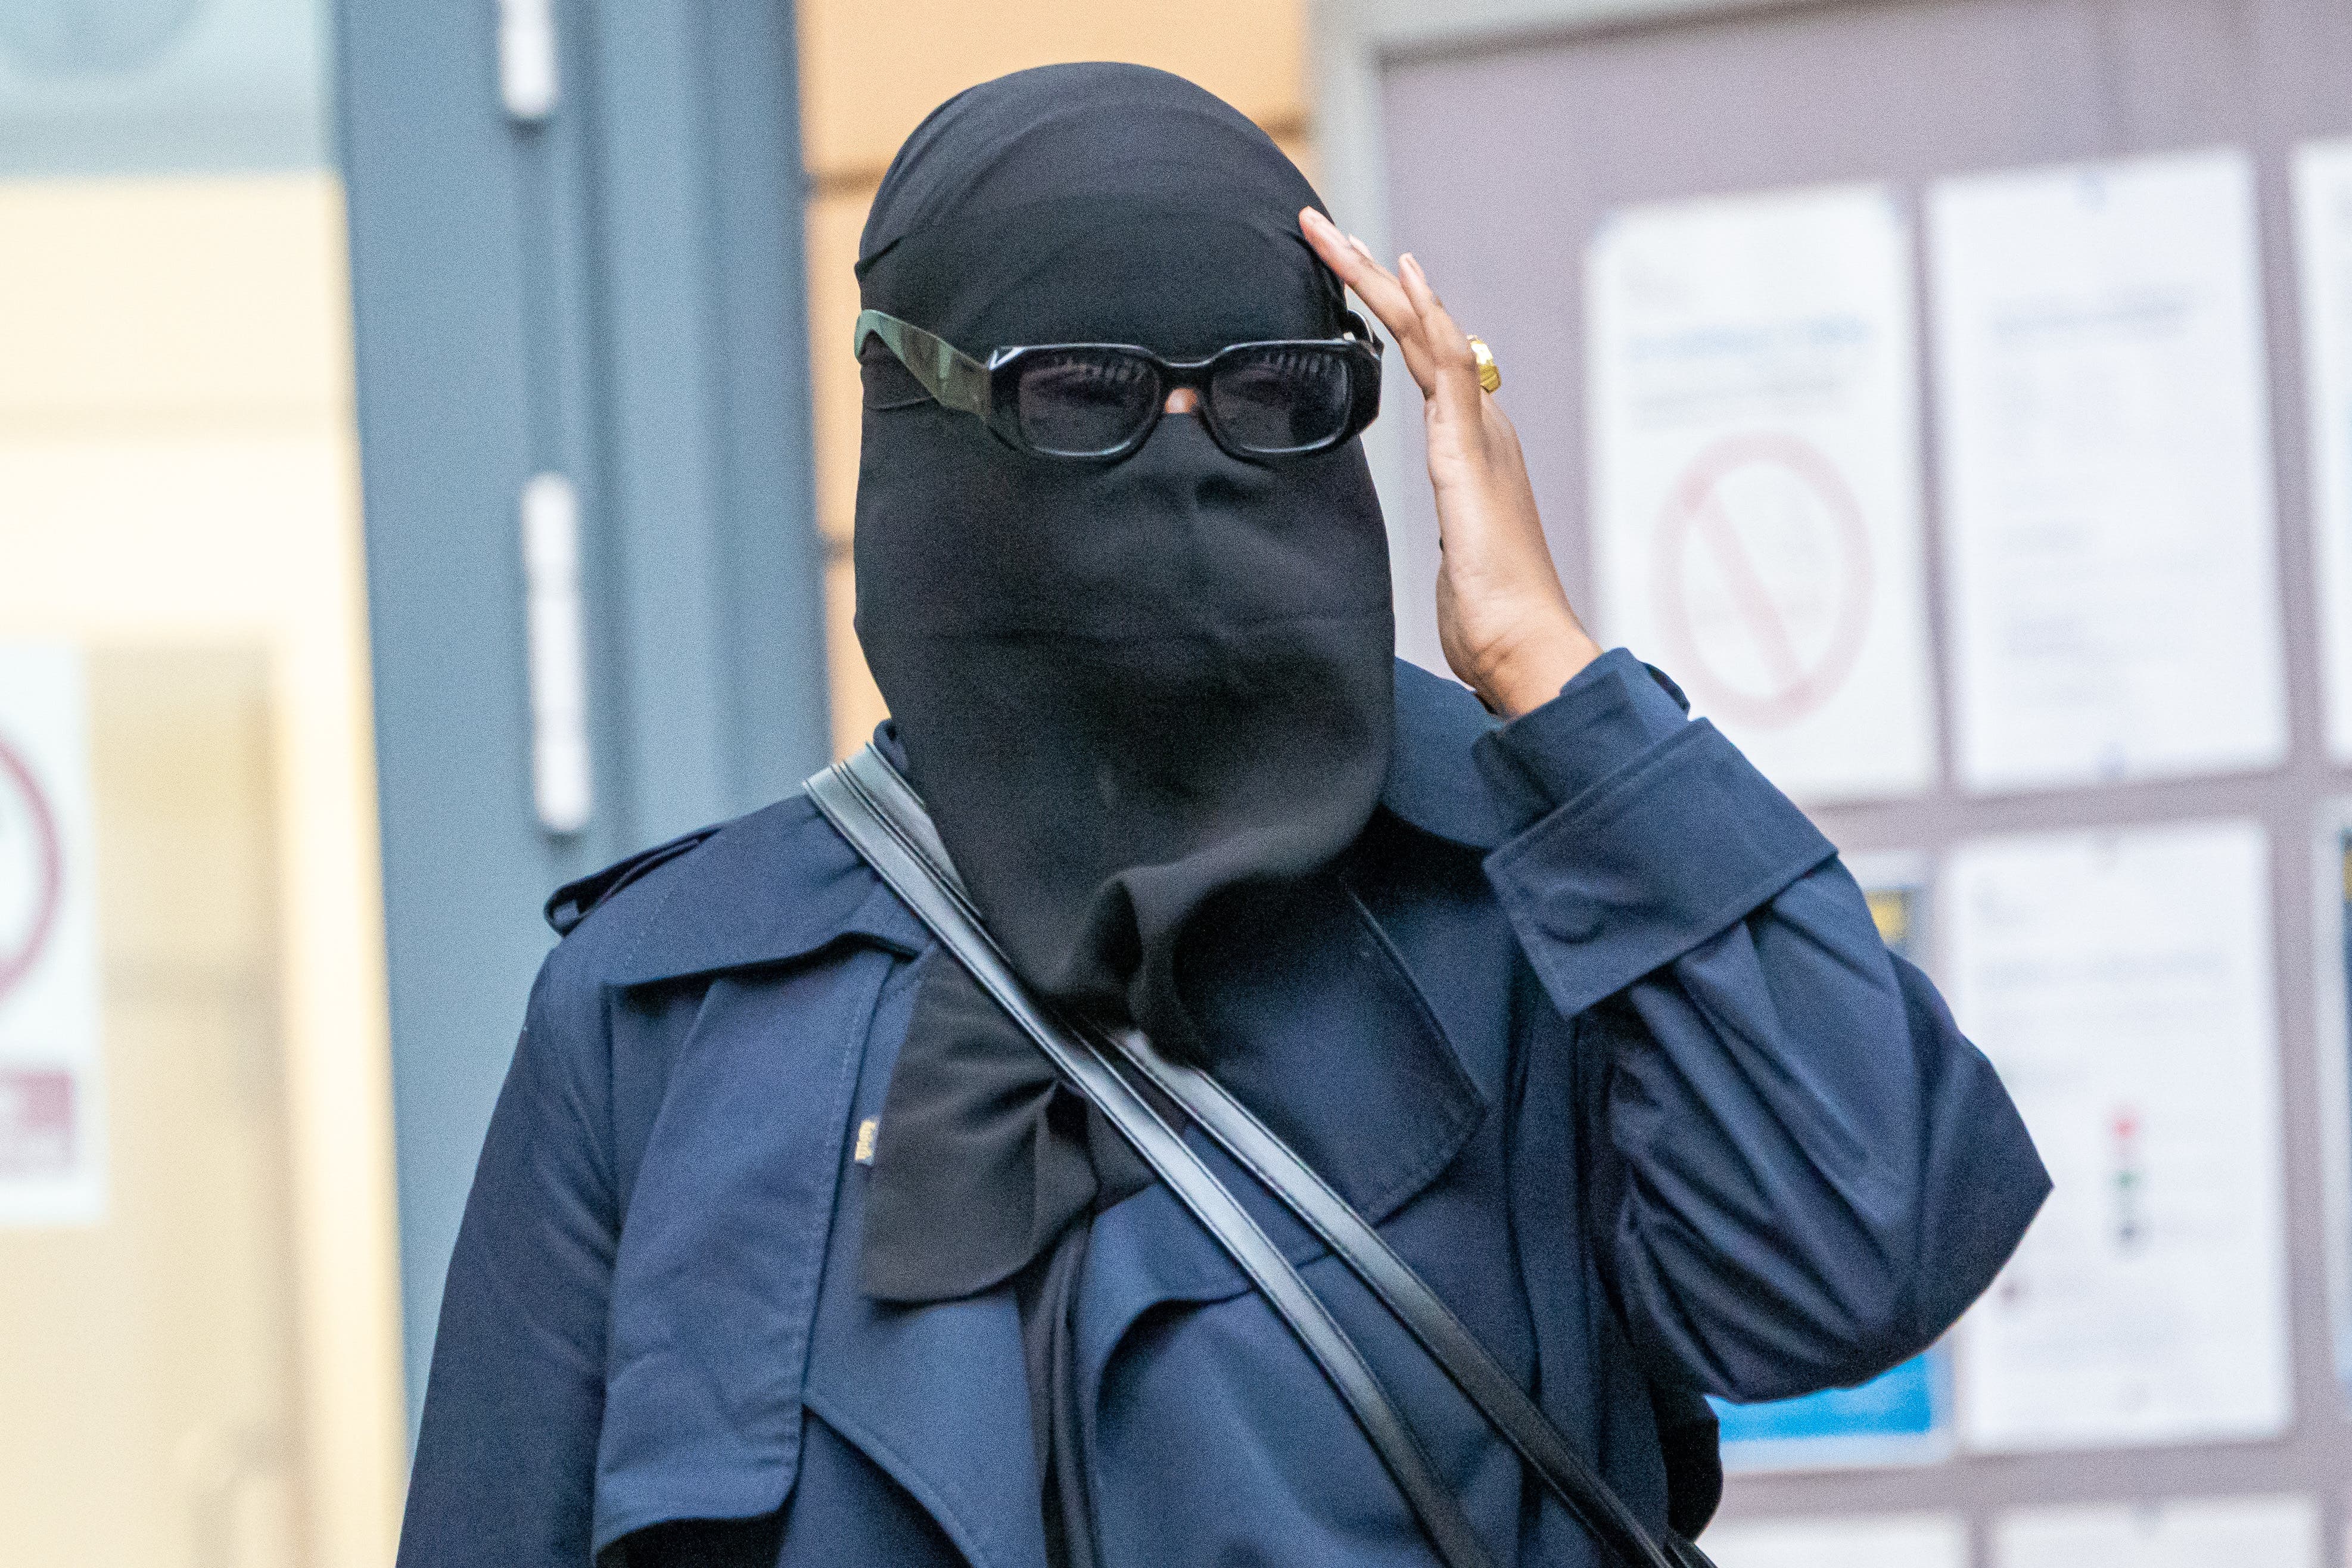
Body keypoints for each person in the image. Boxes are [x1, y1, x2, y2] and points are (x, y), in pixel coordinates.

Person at [396, 63, 2048, 1568]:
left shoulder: (1526, 905)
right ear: (921, 422)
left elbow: (1864, 1256)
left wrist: (1550, 681)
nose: (1182, 477)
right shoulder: (674, 1008)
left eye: (1270, 396)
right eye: (1081, 396)